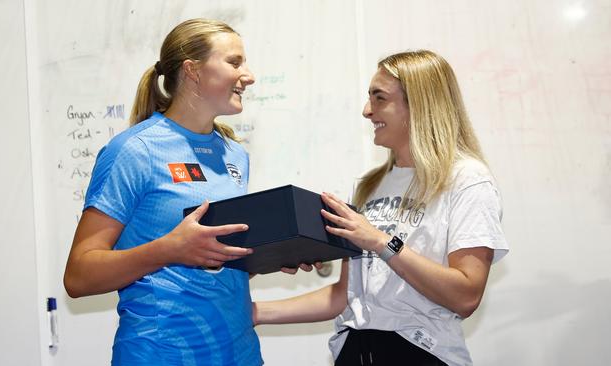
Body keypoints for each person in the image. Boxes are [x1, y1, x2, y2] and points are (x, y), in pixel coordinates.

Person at [253, 50, 509, 366]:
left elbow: (466, 296)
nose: (366, 111)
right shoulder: (367, 185)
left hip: (422, 352)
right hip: (355, 351)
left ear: (420, 104)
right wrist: (256, 313)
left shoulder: (467, 180)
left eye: (379, 98)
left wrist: (379, 241)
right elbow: (344, 295)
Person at [63, 18, 263, 366]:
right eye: (234, 62)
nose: (249, 75)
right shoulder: (135, 150)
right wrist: (169, 249)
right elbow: (79, 275)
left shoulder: (235, 154)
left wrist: (275, 252)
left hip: (238, 352)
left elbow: (209, 260)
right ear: (193, 71)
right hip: (160, 353)